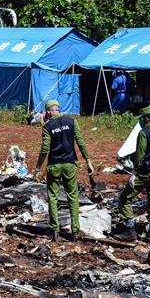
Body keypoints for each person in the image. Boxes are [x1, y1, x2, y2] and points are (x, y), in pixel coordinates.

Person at [34, 99, 94, 242]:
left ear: (48, 112)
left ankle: (55, 231)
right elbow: (80, 142)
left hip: (54, 165)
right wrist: (88, 161)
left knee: (53, 197)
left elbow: (44, 149)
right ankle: (75, 231)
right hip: (69, 164)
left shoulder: (48, 127)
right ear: (58, 109)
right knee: (73, 196)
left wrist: (38, 168)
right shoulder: (72, 121)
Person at [116, 106, 150, 240]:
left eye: (141, 119)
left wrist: (134, 173)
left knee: (124, 198)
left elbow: (140, 156)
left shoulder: (144, 133)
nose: (140, 121)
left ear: (145, 119)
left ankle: (129, 229)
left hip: (145, 172)